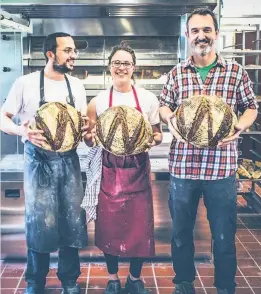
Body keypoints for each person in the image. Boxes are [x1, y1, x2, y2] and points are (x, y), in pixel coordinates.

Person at [159, 8, 258, 294]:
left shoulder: (235, 72)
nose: (201, 35)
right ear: (187, 35)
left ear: (215, 33)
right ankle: (184, 283)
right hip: (183, 168)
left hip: (221, 169)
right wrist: (170, 120)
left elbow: (252, 107)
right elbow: (164, 104)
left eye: (206, 30)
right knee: (180, 234)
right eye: (195, 30)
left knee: (224, 235)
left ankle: (225, 287)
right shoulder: (176, 73)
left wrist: (238, 126)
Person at [0, 32, 89, 294]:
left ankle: (70, 281)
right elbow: (3, 118)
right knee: (39, 222)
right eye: (68, 50)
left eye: (74, 50)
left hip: (69, 161)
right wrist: (22, 132)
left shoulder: (77, 86)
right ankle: (35, 282)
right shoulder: (25, 83)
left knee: (72, 221)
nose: (73, 55)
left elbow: (80, 127)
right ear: (50, 53)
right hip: (38, 163)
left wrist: (88, 129)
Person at [84, 43, 163, 294]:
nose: (121, 67)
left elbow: (158, 134)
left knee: (140, 227)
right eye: (116, 63)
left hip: (138, 169)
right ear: (110, 67)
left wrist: (153, 139)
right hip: (110, 171)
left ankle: (134, 279)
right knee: (109, 227)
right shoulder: (97, 101)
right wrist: (89, 136)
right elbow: (89, 139)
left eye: (126, 63)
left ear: (134, 68)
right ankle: (113, 279)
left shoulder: (149, 99)